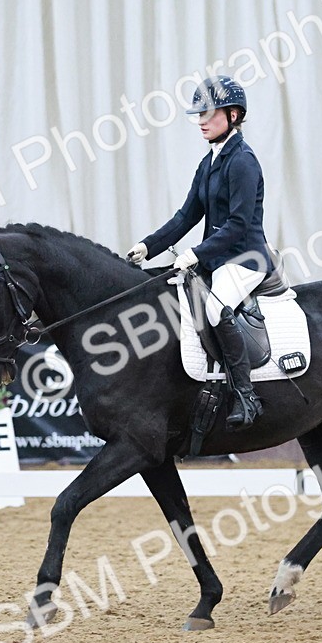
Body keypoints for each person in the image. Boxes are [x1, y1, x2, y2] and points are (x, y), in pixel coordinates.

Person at [125, 75, 271, 430]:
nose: (201, 121)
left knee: (216, 309)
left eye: (208, 113)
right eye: (198, 115)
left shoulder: (243, 161)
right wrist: (148, 246)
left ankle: (246, 395)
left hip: (246, 258)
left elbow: (238, 223)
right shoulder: (209, 163)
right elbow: (186, 216)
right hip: (216, 257)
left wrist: (197, 253)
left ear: (233, 115)